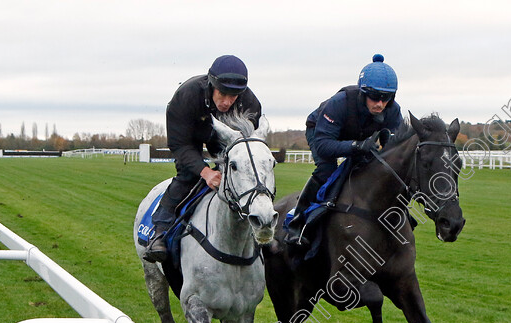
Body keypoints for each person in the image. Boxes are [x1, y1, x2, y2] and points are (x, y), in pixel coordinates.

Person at [143, 55, 262, 263]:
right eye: (223, 94)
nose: (227, 102)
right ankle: (159, 232)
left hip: (225, 137)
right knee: (188, 175)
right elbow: (180, 146)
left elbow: (244, 148)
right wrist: (206, 172)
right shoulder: (186, 96)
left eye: (234, 96)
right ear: (211, 85)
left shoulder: (250, 104)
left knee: (243, 178)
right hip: (191, 136)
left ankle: (261, 228)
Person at [285, 54, 403, 245]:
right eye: (374, 97)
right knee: (327, 170)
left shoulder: (393, 110)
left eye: (386, 98)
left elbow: (393, 147)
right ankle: (297, 223)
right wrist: (355, 146)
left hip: (355, 135)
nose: (380, 104)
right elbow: (323, 146)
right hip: (321, 131)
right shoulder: (340, 102)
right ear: (363, 93)